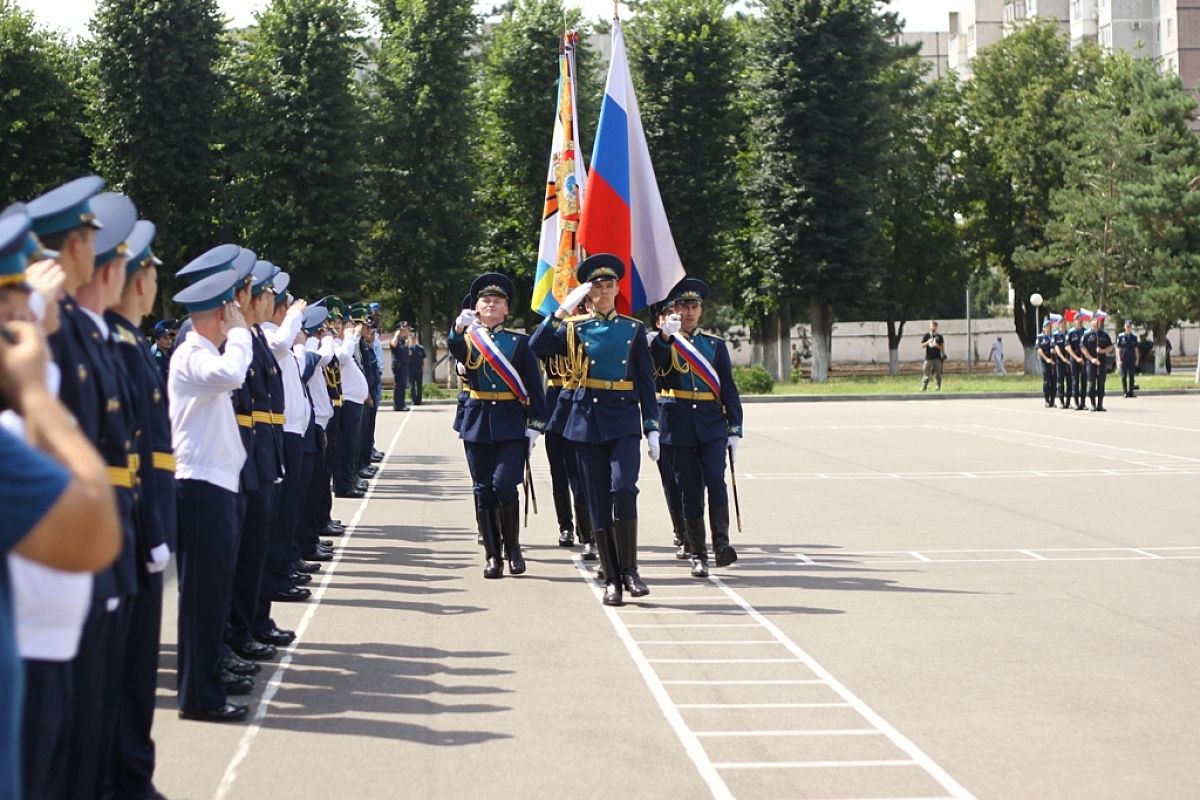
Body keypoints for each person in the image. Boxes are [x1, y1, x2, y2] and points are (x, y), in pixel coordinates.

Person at [0, 211, 120, 800]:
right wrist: (35, 394)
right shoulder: (11, 430)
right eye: (17, 315)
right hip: (33, 648)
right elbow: (95, 525)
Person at [530, 254, 660, 606]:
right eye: (597, 287)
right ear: (587, 295)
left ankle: (630, 570)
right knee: (598, 496)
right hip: (586, 419)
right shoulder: (574, 328)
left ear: (618, 288)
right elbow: (536, 347)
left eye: (609, 285)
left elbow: (646, 382)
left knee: (624, 488)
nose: (604, 291)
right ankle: (612, 577)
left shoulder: (633, 329)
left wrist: (652, 426)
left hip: (622, 418)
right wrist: (559, 312)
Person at [104, 219, 175, 799]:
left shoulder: (123, 345)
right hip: (115, 526)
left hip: (134, 520)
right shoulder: (116, 347)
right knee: (114, 675)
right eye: (149, 271)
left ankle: (130, 773)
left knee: (130, 671)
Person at [168, 268, 254, 723]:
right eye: (232, 312)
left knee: (212, 593)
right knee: (202, 598)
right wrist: (240, 336)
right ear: (222, 312)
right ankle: (200, 694)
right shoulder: (192, 355)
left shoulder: (199, 352)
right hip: (199, 487)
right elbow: (232, 374)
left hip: (214, 484)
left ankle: (206, 684)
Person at [449, 273, 547, 579]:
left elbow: (534, 385)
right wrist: (456, 329)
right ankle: (492, 555)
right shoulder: (468, 340)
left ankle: (513, 548)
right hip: (477, 419)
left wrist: (536, 423)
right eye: (485, 301)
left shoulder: (520, 342)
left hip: (510, 421)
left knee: (505, 484)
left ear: (506, 309)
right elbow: (455, 349)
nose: (491, 305)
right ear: (476, 308)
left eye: (497, 301)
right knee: (483, 489)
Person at [652, 278, 744, 577]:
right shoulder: (665, 342)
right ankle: (698, 552)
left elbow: (728, 388)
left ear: (701, 311)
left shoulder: (714, 345)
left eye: (693, 306)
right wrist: (665, 338)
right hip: (678, 422)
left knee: (716, 482)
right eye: (683, 306)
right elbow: (655, 369)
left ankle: (721, 545)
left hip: (711, 421)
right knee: (689, 489)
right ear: (674, 310)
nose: (688, 312)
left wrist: (735, 426)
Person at [651, 302, 686, 559]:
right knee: (671, 480)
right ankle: (681, 530)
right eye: (667, 314)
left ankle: (695, 532)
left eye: (678, 312)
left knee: (695, 480)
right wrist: (666, 337)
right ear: (658, 321)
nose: (675, 317)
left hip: (697, 417)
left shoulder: (699, 343)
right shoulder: (653, 342)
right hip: (666, 411)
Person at [1082, 311, 1114, 412]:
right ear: (1091, 322)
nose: (1096, 322)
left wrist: (1102, 351)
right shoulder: (1086, 335)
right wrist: (1092, 359)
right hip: (1091, 363)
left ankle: (1100, 405)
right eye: (1095, 320)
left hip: (1102, 362)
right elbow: (1083, 348)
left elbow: (1110, 347)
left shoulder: (1104, 335)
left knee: (1101, 383)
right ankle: (1093, 404)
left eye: (1098, 321)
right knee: (1091, 384)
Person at [1067, 309, 1090, 411]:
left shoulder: (1086, 332)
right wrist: (1076, 358)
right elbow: (1067, 347)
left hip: (1084, 360)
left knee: (1084, 382)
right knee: (1075, 382)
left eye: (1080, 319)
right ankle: (1076, 403)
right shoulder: (1071, 333)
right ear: (1074, 320)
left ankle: (1083, 403)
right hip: (1074, 359)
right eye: (1077, 319)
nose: (1079, 320)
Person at [1036, 318, 1058, 408]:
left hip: (1054, 362)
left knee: (1054, 381)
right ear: (1043, 328)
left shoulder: (1054, 336)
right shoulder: (1040, 337)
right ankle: (1047, 400)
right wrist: (1047, 359)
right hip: (1046, 362)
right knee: (1047, 381)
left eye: (1049, 326)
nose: (1048, 328)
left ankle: (1052, 400)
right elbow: (1039, 349)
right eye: (1046, 326)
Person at [389, 323, 410, 411]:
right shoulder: (395, 339)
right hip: (398, 366)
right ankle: (398, 405)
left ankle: (401, 403)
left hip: (403, 366)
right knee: (398, 386)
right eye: (404, 329)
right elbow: (393, 345)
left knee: (402, 386)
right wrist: (397, 334)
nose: (406, 331)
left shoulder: (402, 340)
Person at [1117, 320, 1139, 398]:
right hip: (1123, 359)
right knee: (1124, 376)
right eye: (1127, 326)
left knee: (1132, 376)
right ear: (1124, 327)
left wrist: (1137, 359)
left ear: (1131, 327)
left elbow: (1136, 349)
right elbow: (1118, 349)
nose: (1128, 328)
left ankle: (1131, 392)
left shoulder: (1134, 337)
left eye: (1129, 326)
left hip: (1131, 359)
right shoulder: (1121, 337)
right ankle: (1125, 392)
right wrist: (1119, 359)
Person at [150, 318, 176, 384]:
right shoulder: (157, 358)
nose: (169, 341)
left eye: (170, 338)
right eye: (165, 338)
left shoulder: (170, 353)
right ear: (157, 341)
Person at [920, 321, 944, 391]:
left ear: (937, 327)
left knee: (938, 374)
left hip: (937, 358)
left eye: (935, 326)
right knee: (926, 373)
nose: (933, 327)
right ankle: (924, 387)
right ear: (930, 327)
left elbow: (942, 347)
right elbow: (922, 345)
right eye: (932, 326)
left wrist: (937, 345)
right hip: (928, 358)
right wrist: (928, 342)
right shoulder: (926, 335)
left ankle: (938, 387)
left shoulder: (939, 336)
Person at [1053, 314, 1071, 410]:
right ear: (1058, 324)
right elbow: (1055, 348)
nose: (1063, 324)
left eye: (1064, 322)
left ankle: (1068, 402)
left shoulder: (1069, 333)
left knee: (1070, 382)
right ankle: (1061, 401)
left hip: (1069, 360)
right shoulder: (1055, 335)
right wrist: (1062, 358)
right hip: (1060, 361)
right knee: (1060, 382)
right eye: (1061, 323)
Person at [408, 335, 427, 407]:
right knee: (412, 386)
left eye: (414, 338)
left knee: (419, 385)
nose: (413, 340)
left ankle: (419, 400)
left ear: (416, 339)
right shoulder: (408, 348)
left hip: (419, 369)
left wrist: (423, 367)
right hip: (410, 369)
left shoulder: (420, 348)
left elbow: (423, 359)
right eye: (412, 338)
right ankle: (413, 400)